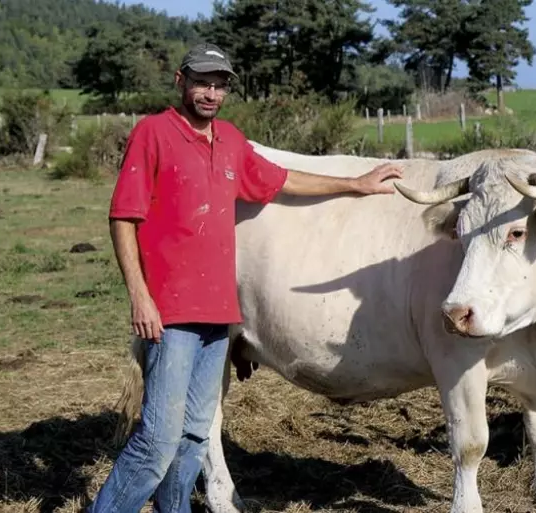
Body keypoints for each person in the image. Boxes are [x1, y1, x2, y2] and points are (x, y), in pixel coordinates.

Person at [87, 42, 403, 512]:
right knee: (158, 440)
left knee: (195, 435)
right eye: (201, 82)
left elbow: (283, 179)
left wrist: (354, 184)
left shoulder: (231, 141)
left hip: (219, 316)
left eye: (219, 85)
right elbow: (123, 217)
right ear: (181, 81)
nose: (210, 93)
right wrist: (140, 296)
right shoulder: (153, 134)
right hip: (169, 313)